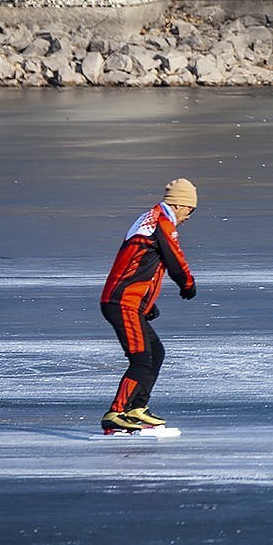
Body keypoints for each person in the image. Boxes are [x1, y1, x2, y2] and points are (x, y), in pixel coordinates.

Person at [99, 178, 198, 433]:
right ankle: (116, 412)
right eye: (190, 210)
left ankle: (136, 408)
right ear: (178, 205)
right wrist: (187, 284)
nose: (188, 217)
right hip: (123, 302)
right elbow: (174, 258)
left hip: (129, 301)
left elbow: (141, 265)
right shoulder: (161, 222)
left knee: (156, 352)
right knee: (141, 359)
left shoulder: (150, 219)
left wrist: (147, 304)